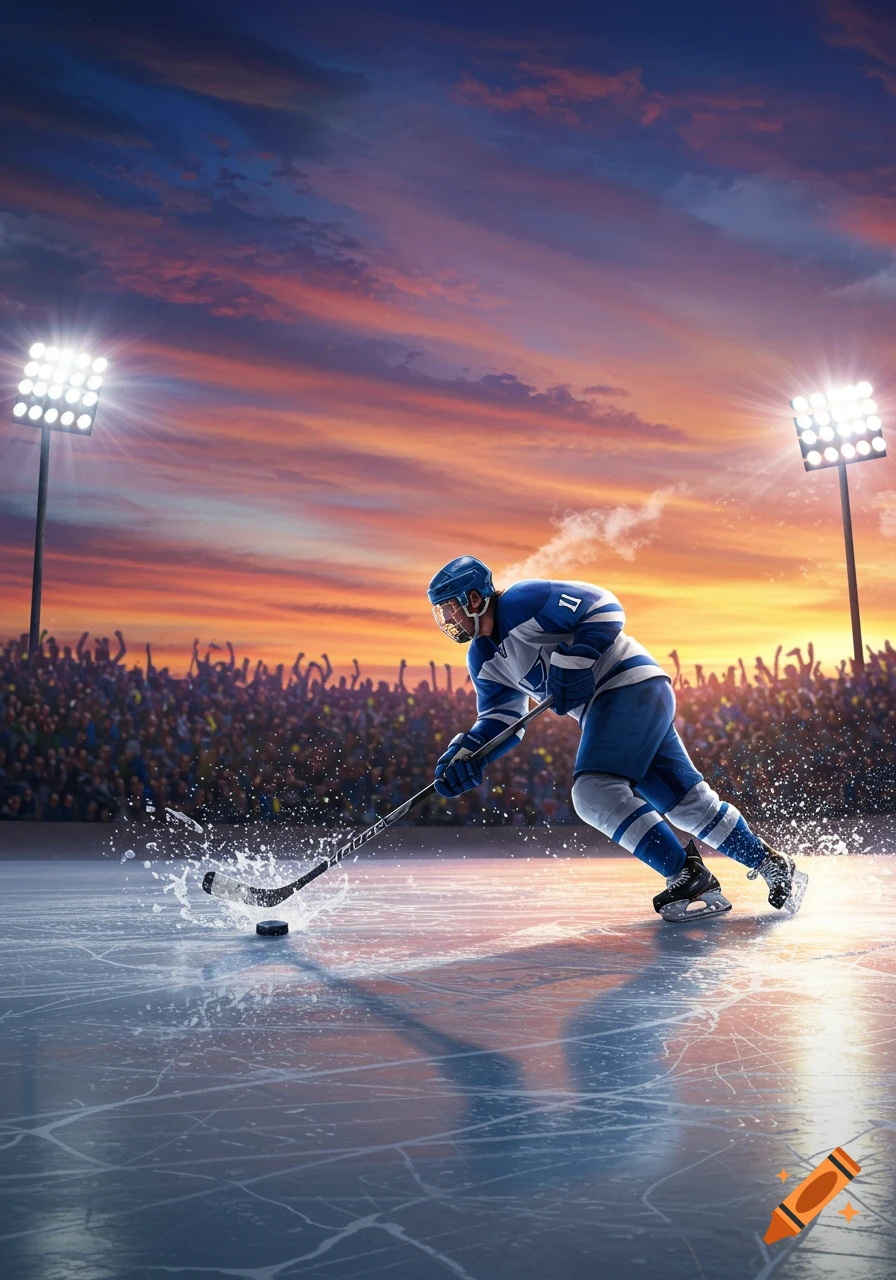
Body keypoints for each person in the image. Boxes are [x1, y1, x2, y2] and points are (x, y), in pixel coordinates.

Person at [427, 556, 808, 921]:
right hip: (626, 699)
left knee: (594, 792)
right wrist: (469, 752)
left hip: (626, 685)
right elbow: (501, 719)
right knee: (688, 804)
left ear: (474, 598)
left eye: (449, 608)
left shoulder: (522, 600)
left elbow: (605, 607)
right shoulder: (482, 658)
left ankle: (687, 875)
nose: (447, 619)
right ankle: (771, 862)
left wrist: (577, 657)